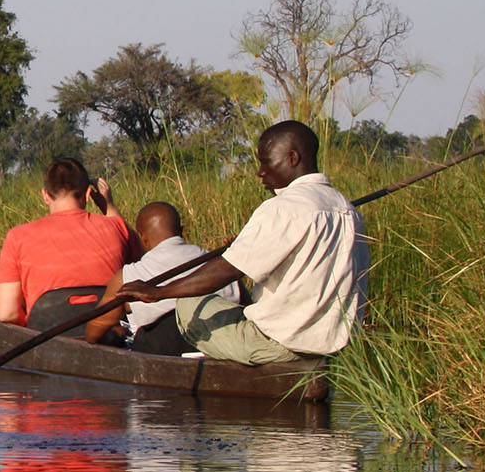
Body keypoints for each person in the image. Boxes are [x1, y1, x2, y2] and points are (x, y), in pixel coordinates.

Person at [118, 120, 369, 366]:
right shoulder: (345, 208)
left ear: (293, 158)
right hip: (332, 346)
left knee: (188, 304)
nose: (260, 172)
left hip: (281, 344)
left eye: (266, 162)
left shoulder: (283, 207)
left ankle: (230, 365)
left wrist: (158, 292)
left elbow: (228, 270)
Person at [0, 158, 137, 329]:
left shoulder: (17, 236)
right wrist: (109, 207)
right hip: (108, 337)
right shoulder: (116, 227)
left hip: (45, 338)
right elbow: (146, 268)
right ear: (87, 194)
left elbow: (6, 313)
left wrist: (31, 326)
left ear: (45, 195)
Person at [82, 202, 240, 354]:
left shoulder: (128, 277)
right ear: (182, 231)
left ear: (142, 238)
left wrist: (114, 335)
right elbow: (246, 308)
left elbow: (93, 333)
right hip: (221, 353)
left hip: (160, 357)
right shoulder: (224, 264)